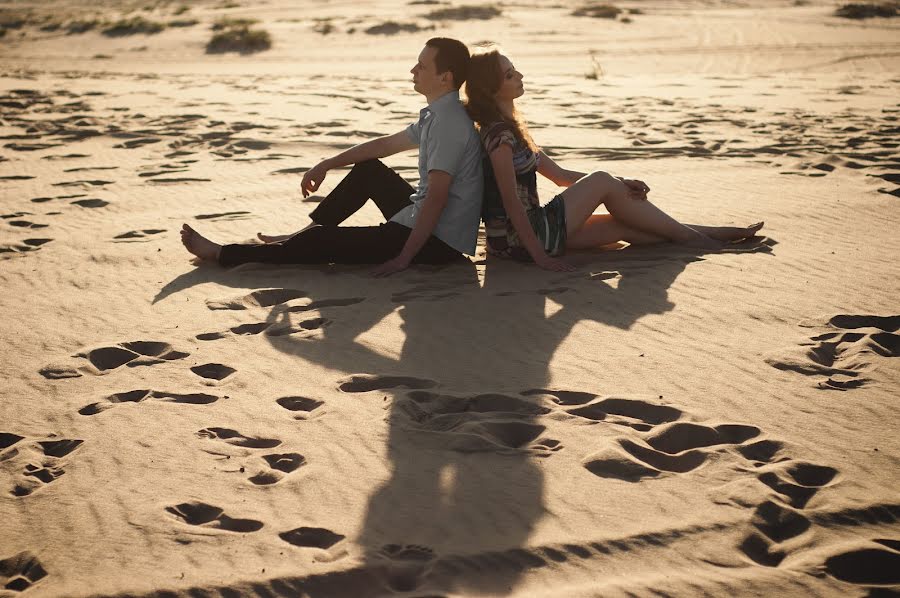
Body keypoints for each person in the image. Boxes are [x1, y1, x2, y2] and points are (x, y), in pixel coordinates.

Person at [181, 37, 483, 277]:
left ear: (446, 77)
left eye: (421, 66)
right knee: (369, 171)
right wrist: (327, 163)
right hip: (421, 221)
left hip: (435, 242)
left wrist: (403, 258)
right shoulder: (437, 115)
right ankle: (302, 233)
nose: (412, 71)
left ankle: (223, 253)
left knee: (321, 243)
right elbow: (383, 146)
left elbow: (437, 198)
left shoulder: (449, 124)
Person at [463, 45, 764, 272]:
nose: (520, 76)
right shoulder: (498, 137)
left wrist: (621, 185)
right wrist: (539, 257)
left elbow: (561, 176)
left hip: (534, 233)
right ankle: (700, 241)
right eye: (510, 74)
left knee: (625, 225)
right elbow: (510, 202)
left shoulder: (511, 131)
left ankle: (717, 234)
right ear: (492, 89)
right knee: (602, 179)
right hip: (523, 240)